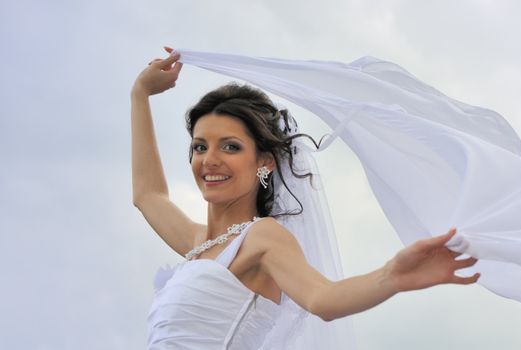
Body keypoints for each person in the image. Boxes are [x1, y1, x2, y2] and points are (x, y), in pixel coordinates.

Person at [131, 47, 481, 349]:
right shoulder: (196, 244)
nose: (210, 160)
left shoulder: (262, 237)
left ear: (264, 162)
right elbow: (148, 195)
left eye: (231, 147)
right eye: (200, 147)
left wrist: (391, 276)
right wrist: (140, 95)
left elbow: (321, 298)